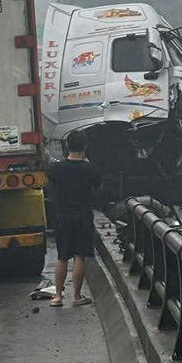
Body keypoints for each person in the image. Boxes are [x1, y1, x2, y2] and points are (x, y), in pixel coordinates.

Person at [46, 130, 101, 307]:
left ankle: (58, 297)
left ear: (67, 146)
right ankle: (76, 297)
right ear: (85, 146)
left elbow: (50, 184)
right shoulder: (90, 169)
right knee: (79, 256)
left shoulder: (56, 169)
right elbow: (98, 186)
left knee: (62, 257)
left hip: (63, 217)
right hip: (83, 216)